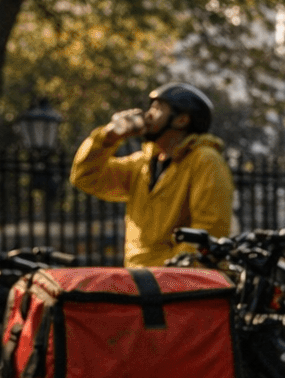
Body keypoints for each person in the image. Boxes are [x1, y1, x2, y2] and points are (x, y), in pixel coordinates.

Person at [70, 83, 233, 267]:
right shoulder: (142, 164)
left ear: (181, 120)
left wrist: (172, 269)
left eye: (157, 108)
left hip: (178, 284)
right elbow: (85, 176)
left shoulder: (205, 160)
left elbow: (208, 229)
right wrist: (108, 137)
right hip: (140, 278)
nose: (148, 115)